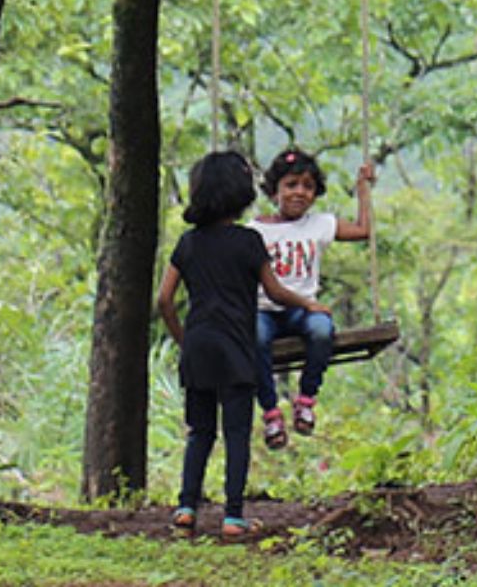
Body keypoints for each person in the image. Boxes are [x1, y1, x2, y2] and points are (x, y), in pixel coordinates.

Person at [157, 150, 329, 541]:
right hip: (237, 347)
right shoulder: (249, 241)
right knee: (236, 432)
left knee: (199, 432)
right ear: (240, 194)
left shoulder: (188, 243)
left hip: (198, 346)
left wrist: (183, 339)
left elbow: (164, 300)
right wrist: (307, 303)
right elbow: (274, 291)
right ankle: (233, 515)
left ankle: (186, 508)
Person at [248, 147, 374, 448]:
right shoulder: (255, 230)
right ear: (274, 190)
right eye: (291, 185)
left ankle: (306, 399)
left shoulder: (319, 224)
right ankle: (271, 411)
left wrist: (362, 190)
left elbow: (362, 230)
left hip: (302, 312)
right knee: (254, 337)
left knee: (321, 329)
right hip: (265, 310)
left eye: (308, 187)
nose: (299, 193)